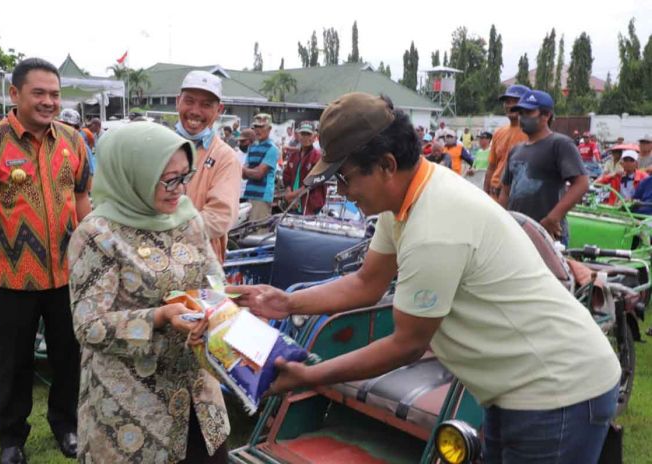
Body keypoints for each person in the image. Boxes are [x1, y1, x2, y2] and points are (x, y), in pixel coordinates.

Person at [229, 92, 620, 464]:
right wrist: (287, 301)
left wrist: (311, 376)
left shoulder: (434, 224)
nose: (343, 192)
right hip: (515, 389)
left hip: (558, 391)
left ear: (385, 164)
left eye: (345, 178)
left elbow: (407, 344)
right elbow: (367, 283)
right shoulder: (403, 198)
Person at [0, 58, 92, 464]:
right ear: (15, 95)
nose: (49, 101)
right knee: (13, 364)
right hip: (11, 278)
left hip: (68, 274)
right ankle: (11, 439)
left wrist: (94, 258)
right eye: (39, 93)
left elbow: (83, 201)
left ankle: (67, 425)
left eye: (54, 93)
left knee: (70, 356)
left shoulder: (73, 140)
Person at [69, 122, 229, 463]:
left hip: (198, 397)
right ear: (133, 173)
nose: (179, 189)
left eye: (185, 176)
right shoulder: (98, 234)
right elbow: (89, 326)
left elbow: (214, 280)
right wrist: (158, 317)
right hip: (132, 407)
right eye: (168, 178)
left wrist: (219, 306)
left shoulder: (187, 217)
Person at [498, 90, 589, 245]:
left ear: (546, 115)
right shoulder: (516, 150)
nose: (522, 117)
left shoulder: (559, 144)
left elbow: (581, 183)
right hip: (518, 232)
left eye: (528, 112)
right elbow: (506, 191)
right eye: (520, 113)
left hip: (547, 235)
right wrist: (500, 220)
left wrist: (553, 218)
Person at [175, 70, 242, 263]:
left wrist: (164, 231)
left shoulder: (225, 157)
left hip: (201, 262)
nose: (196, 111)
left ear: (219, 109)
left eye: (206, 105)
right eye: (189, 101)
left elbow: (219, 217)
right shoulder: (158, 145)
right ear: (178, 101)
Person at [483, 84, 530, 199]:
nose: (510, 105)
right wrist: (485, 193)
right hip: (495, 195)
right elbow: (492, 167)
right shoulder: (499, 133)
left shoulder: (532, 133)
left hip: (517, 196)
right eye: (507, 102)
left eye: (515, 101)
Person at [242, 113, 279, 223]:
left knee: (257, 234)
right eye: (256, 127)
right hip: (250, 195)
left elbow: (259, 174)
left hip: (262, 198)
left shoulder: (272, 148)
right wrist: (248, 171)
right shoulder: (252, 147)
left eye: (261, 127)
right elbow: (244, 175)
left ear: (269, 129)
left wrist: (245, 170)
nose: (258, 130)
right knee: (247, 233)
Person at [282, 121, 326, 215]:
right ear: (298, 135)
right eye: (303, 134)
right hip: (293, 204)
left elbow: (313, 182)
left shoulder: (317, 157)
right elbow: (287, 176)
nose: (305, 137)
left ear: (314, 137)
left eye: (308, 134)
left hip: (309, 205)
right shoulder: (293, 156)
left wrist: (292, 195)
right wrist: (289, 192)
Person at [58, 108, 97, 175]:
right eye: (61, 125)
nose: (63, 128)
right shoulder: (55, 143)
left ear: (76, 128)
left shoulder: (82, 147)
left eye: (67, 125)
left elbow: (91, 172)